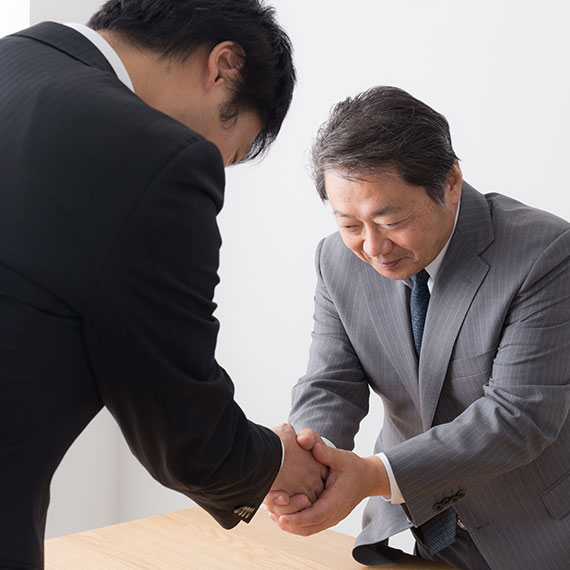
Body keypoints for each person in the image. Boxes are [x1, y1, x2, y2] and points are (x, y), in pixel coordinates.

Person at [0, 2, 326, 569]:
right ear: (223, 66)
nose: (218, 164)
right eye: (233, 150)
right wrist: (279, 462)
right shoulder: (157, 156)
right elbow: (185, 431)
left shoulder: (13, 61)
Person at [265, 86, 570, 570]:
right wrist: (305, 463)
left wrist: (369, 475)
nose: (373, 247)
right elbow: (331, 383)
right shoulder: (335, 261)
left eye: (391, 219)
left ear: (450, 181)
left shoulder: (546, 253)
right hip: (417, 534)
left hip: (536, 538)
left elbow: (519, 417)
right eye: (349, 224)